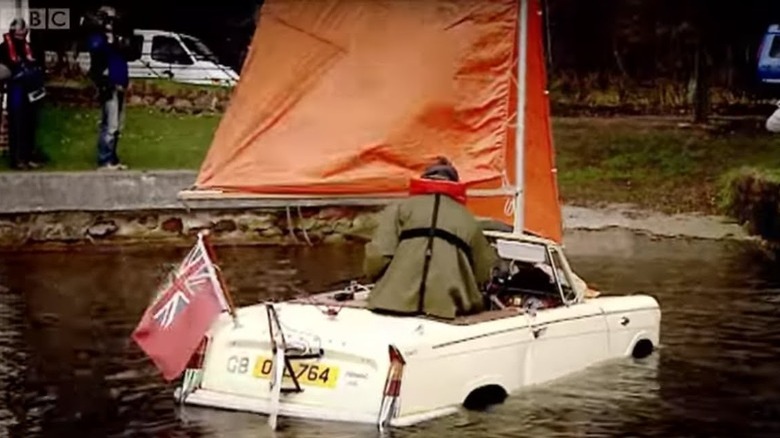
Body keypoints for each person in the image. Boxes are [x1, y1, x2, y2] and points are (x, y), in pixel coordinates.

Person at [363, 157, 498, 320]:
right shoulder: (467, 219)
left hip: (392, 304)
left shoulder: (400, 208)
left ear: (425, 177)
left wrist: (382, 282)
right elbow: (484, 272)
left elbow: (378, 256)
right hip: (449, 310)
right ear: (454, 183)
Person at [87, 6, 130, 170]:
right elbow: (98, 54)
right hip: (108, 84)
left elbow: (127, 53)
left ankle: (113, 158)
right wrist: (109, 41)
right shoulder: (98, 38)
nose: (112, 23)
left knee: (118, 125)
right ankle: (104, 159)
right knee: (110, 124)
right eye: (109, 20)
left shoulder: (117, 38)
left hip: (119, 81)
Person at [0, 18, 46, 170]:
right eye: (17, 34)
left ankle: (28, 156)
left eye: (23, 33)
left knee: (30, 124)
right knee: (17, 124)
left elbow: (38, 65)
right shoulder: (3, 48)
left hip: (31, 91)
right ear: (13, 32)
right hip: (16, 90)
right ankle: (17, 159)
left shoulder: (29, 47)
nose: (20, 36)